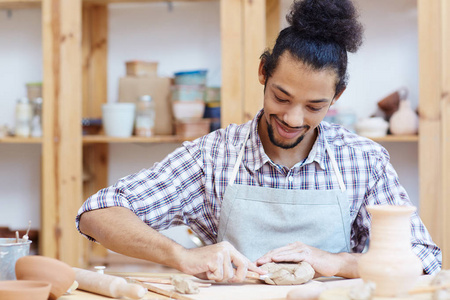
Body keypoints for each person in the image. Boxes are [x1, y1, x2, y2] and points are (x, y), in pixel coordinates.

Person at [76, 0, 442, 283]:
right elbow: (96, 214)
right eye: (281, 98)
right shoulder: (213, 156)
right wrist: (181, 255)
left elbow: (424, 260)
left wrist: (336, 262)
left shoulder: (363, 161)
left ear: (337, 97)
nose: (293, 119)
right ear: (263, 73)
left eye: (315, 106)